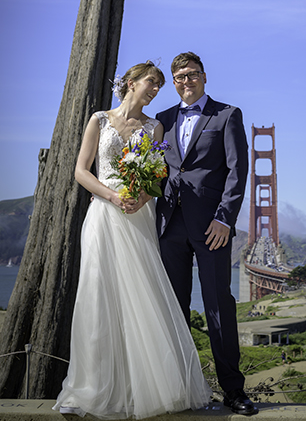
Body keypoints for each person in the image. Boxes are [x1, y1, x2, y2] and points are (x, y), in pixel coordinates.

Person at [53, 61, 212, 420]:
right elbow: (82, 169)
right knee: (98, 295)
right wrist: (111, 197)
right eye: (150, 83)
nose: (155, 90)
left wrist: (140, 198)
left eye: (158, 85)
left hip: (137, 217)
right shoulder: (99, 120)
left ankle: (146, 387)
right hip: (103, 216)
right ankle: (93, 387)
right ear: (130, 83)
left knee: (143, 297)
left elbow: (157, 176)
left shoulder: (155, 127)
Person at [156, 52, 258, 416]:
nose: (187, 81)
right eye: (180, 76)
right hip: (169, 228)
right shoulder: (162, 120)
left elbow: (237, 171)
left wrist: (224, 219)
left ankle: (234, 391)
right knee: (174, 310)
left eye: (193, 74)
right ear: (174, 81)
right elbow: (155, 169)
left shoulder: (228, 115)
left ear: (204, 77)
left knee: (218, 307)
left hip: (212, 228)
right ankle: (181, 389)